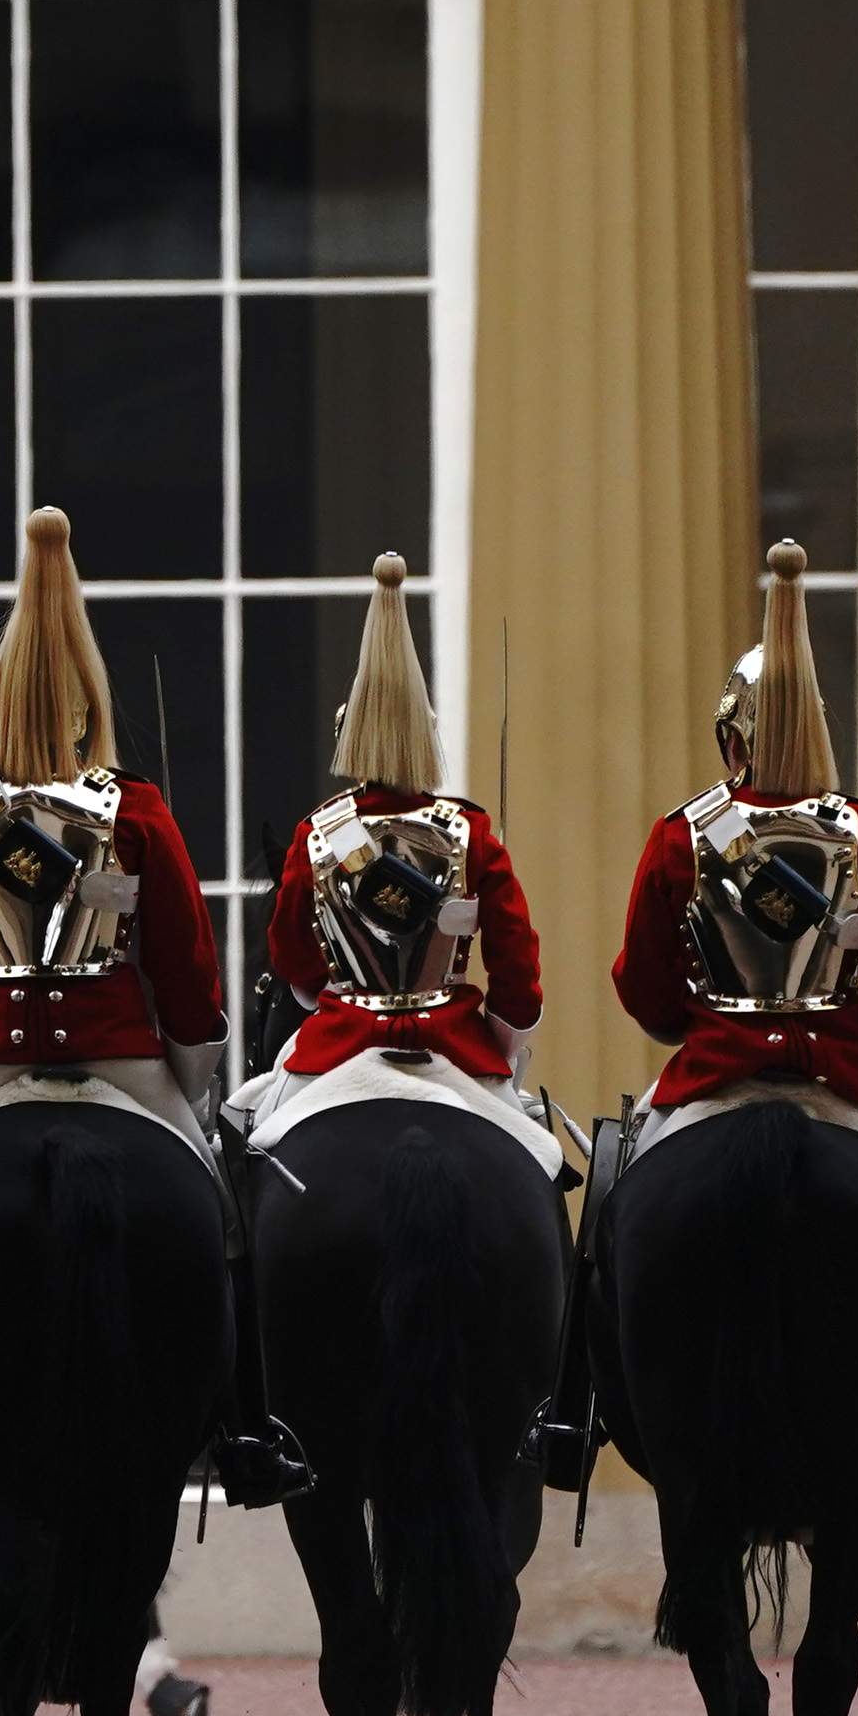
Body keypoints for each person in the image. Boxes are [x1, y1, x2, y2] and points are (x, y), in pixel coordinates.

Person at [0, 504, 311, 1506]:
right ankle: (245, 1422)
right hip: (122, 1061)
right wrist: (191, 1071)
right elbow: (189, 976)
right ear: (88, 704)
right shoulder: (139, 808)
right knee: (217, 1210)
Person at [607, 541, 858, 1527]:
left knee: (611, 1200)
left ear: (728, 738)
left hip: (709, 1074)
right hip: (847, 1078)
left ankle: (575, 1413)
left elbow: (644, 988)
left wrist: (690, 1017)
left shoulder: (679, 834)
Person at [226, 550, 564, 1480]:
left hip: (336, 1049)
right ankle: (564, 1402)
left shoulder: (318, 834)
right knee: (546, 1177)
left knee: (239, 1173)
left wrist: (328, 995)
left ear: (348, 736)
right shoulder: (469, 829)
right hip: (460, 1047)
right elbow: (521, 971)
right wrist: (503, 1040)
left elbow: (293, 965)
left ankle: (247, 1413)